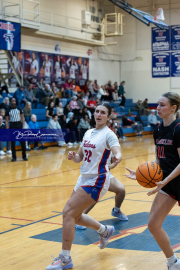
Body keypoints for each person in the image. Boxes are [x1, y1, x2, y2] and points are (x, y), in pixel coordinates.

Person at [46, 103, 122, 270]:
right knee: (76, 216)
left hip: (98, 180)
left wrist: (117, 157)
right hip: (83, 178)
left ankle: (65, 258)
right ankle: (104, 230)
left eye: (103, 112)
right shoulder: (88, 132)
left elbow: (117, 150)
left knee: (67, 213)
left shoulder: (109, 135)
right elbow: (80, 156)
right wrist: (74, 156)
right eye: (97, 111)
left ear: (108, 117)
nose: (99, 114)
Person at [124, 92, 180, 270]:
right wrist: (140, 174)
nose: (158, 108)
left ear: (174, 107)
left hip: (174, 179)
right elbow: (159, 160)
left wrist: (166, 180)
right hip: (167, 183)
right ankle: (173, 262)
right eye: (158, 104)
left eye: (163, 105)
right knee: (153, 224)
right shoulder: (157, 130)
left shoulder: (178, 129)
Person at [75, 151, 128, 230]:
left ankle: (116, 210)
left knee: (121, 190)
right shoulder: (91, 142)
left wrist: (113, 163)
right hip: (91, 175)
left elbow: (115, 160)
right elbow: (79, 156)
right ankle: (80, 217)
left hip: (105, 174)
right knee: (95, 195)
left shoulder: (109, 142)